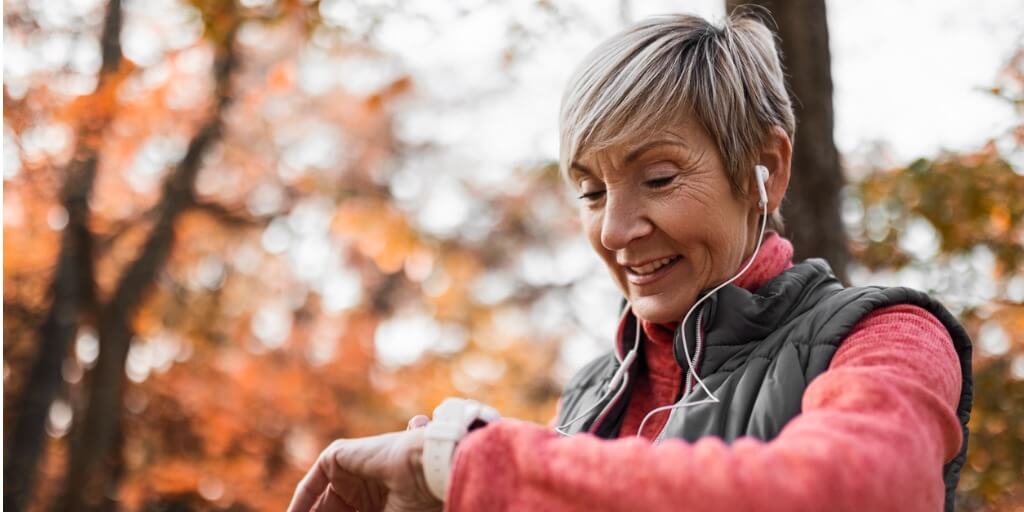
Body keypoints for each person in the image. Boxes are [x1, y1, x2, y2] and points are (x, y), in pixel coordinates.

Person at [288, 11, 973, 512]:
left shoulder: (887, 335)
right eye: (590, 191)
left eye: (659, 178)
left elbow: (862, 490)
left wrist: (469, 465)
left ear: (763, 168)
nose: (616, 230)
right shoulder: (591, 395)